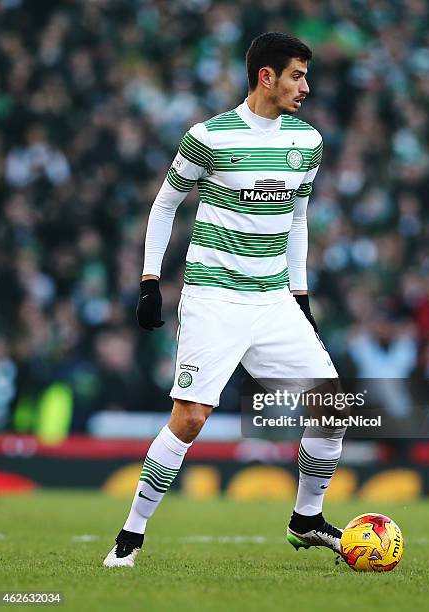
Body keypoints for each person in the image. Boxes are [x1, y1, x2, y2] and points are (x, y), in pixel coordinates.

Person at [103, 32, 345, 568]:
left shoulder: (307, 143)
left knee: (332, 405)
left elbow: (297, 219)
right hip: (214, 298)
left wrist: (300, 295)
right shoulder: (209, 137)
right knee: (189, 418)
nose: (305, 86)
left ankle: (306, 519)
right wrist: (149, 280)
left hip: (272, 300)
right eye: (297, 75)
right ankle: (129, 537)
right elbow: (164, 206)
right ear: (267, 76)